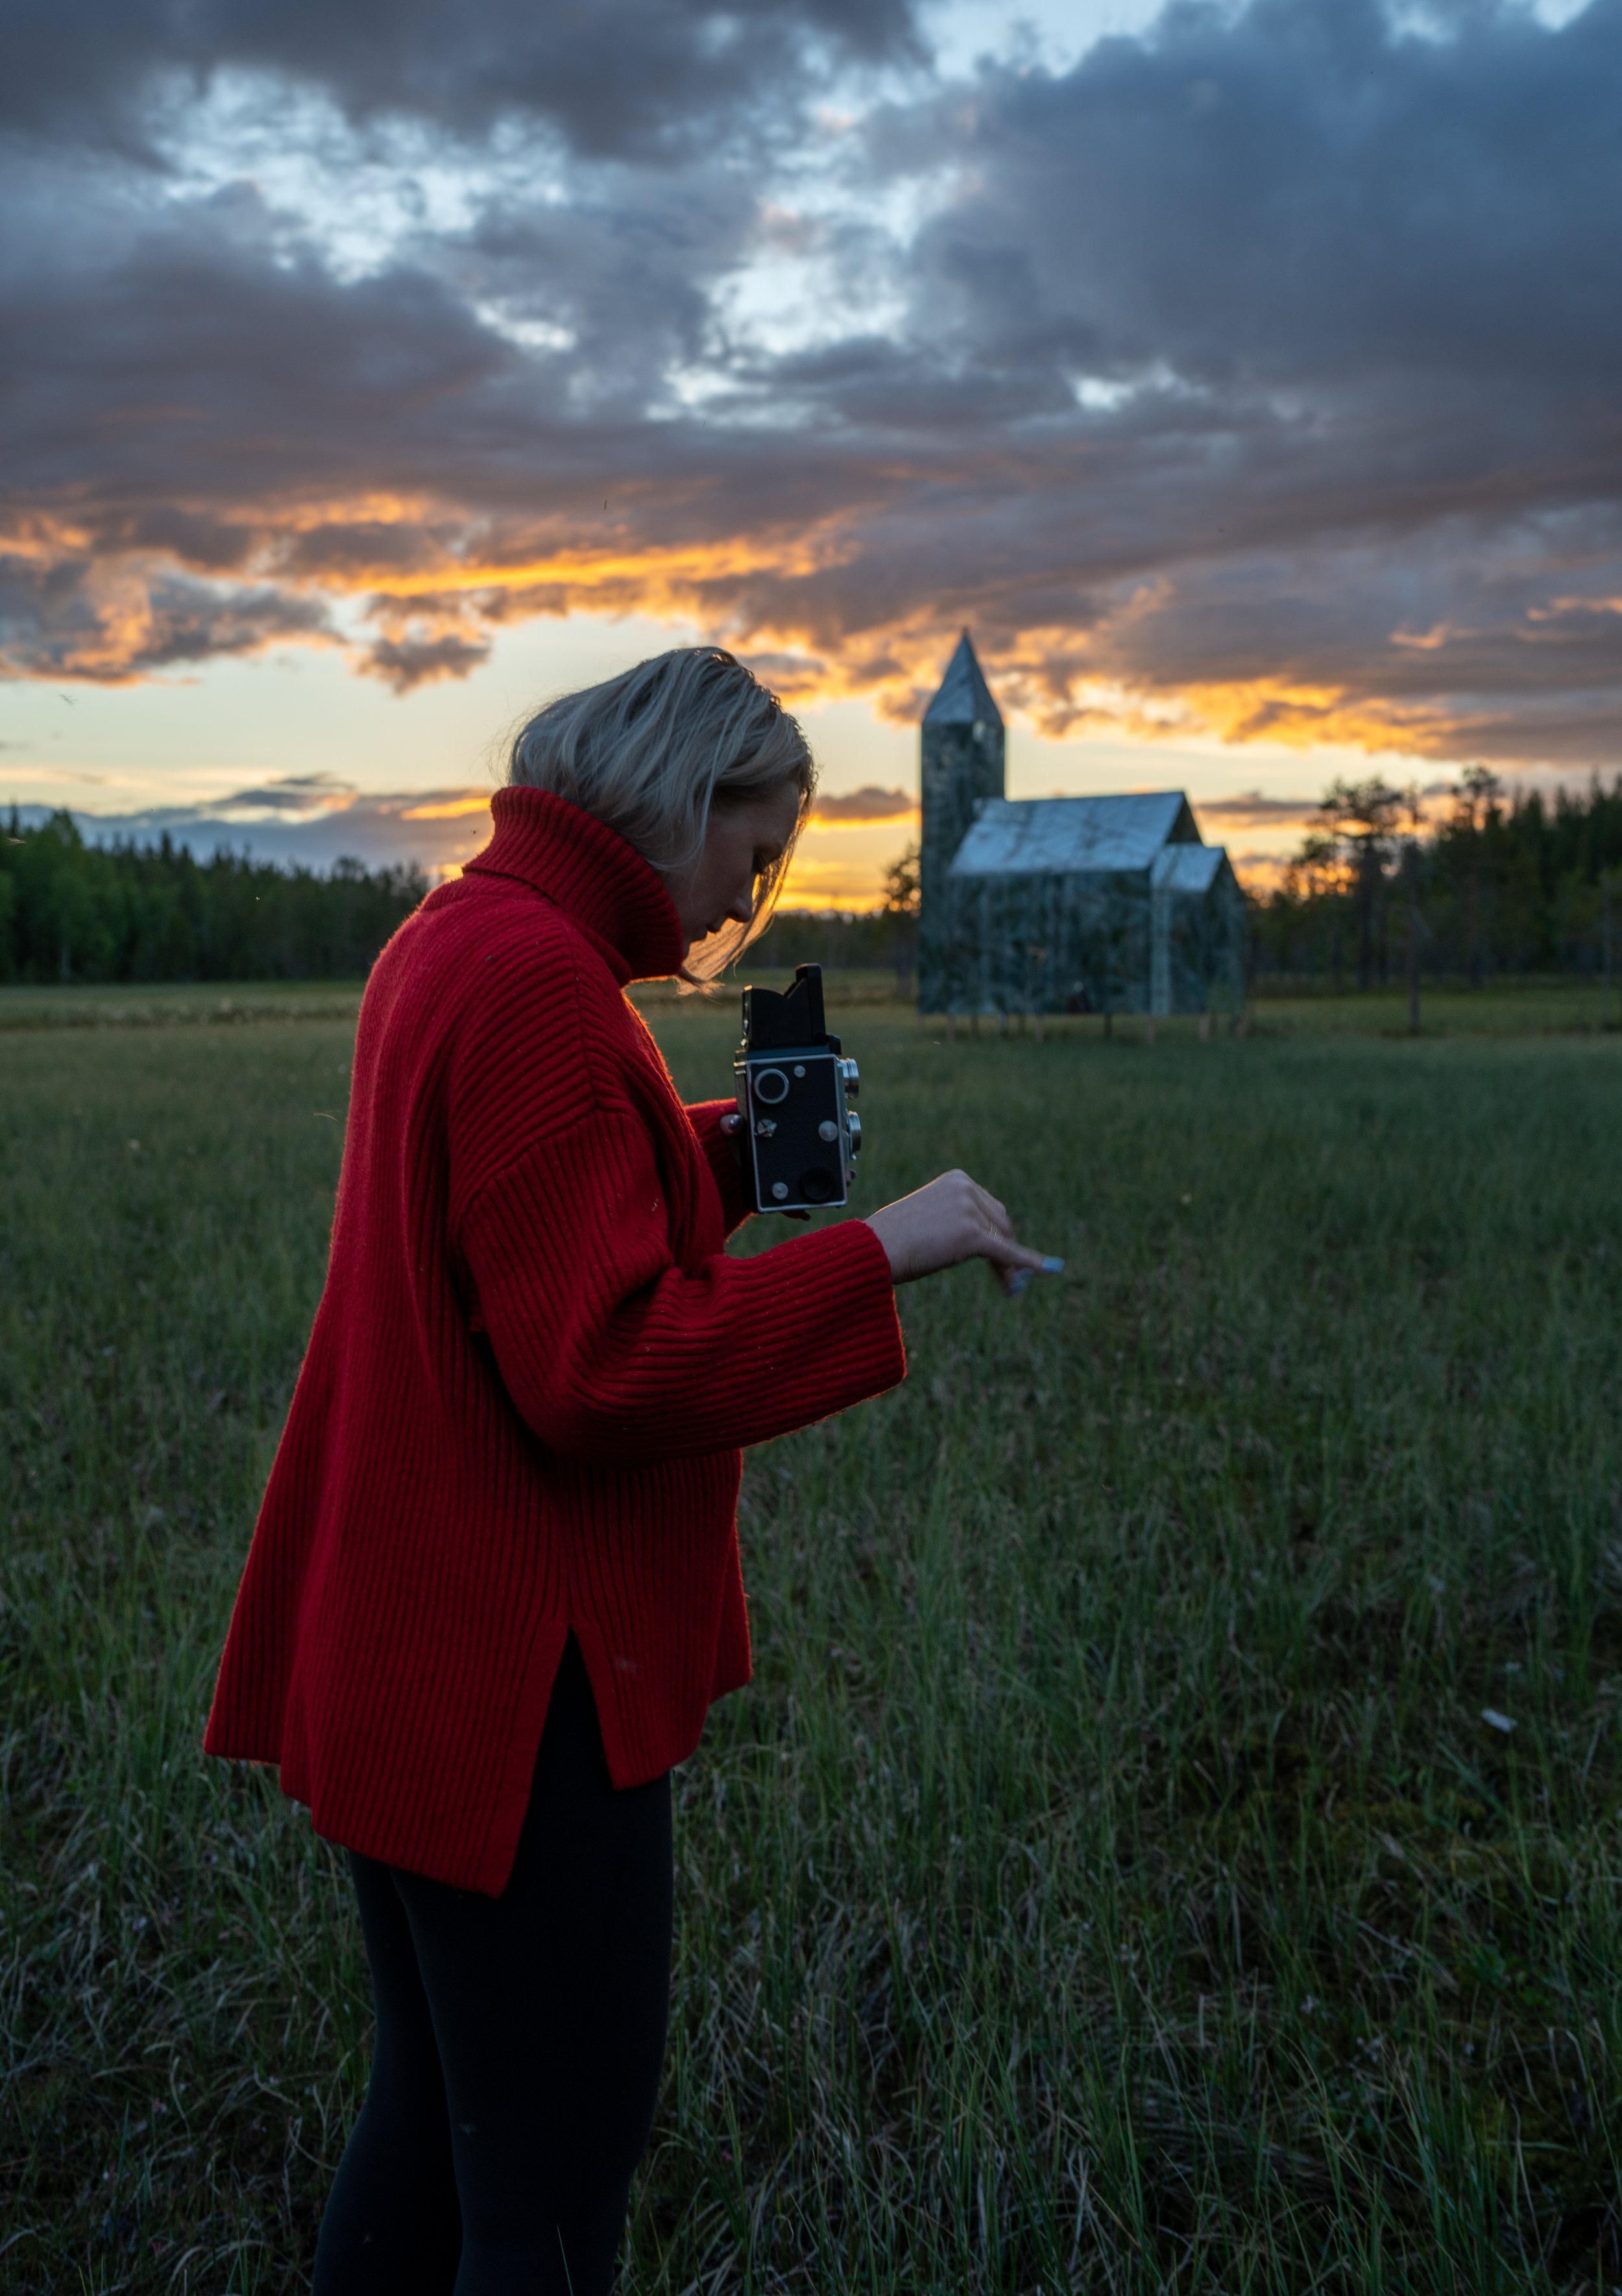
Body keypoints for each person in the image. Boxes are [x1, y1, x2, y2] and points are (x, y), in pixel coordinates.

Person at [204, 646, 1052, 2295]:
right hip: (516, 1692)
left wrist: (724, 1146)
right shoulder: (536, 981)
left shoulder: (461, 934)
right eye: (748, 860)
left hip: (412, 1653)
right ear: (682, 796)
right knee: (551, 2191)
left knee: (441, 2126)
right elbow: (597, 1364)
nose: (741, 915)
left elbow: (527, 1213)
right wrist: (884, 1248)